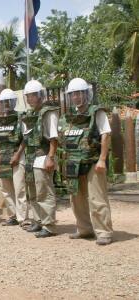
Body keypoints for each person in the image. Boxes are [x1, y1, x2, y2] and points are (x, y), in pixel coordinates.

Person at [58, 78, 113, 245]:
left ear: (86, 94)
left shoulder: (97, 112)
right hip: (74, 163)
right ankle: (84, 229)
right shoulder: (69, 117)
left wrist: (102, 159)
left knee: (97, 198)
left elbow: (105, 136)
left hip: (93, 161)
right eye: (73, 94)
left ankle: (104, 232)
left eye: (79, 93)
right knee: (76, 199)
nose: (76, 97)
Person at [22, 80, 58, 238]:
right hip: (30, 158)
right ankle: (38, 221)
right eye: (28, 96)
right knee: (33, 192)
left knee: (45, 192)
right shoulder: (30, 115)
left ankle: (49, 225)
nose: (30, 99)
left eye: (33, 96)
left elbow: (53, 137)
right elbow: (26, 138)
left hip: (43, 157)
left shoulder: (48, 112)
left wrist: (51, 157)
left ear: (40, 96)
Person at [0, 89, 30, 228]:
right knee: (6, 188)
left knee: (19, 187)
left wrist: (17, 155)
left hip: (17, 155)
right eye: (4, 102)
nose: (6, 104)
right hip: (3, 156)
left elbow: (25, 138)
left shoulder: (21, 118)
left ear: (14, 102)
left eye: (8, 101)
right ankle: (12, 216)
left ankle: (23, 218)